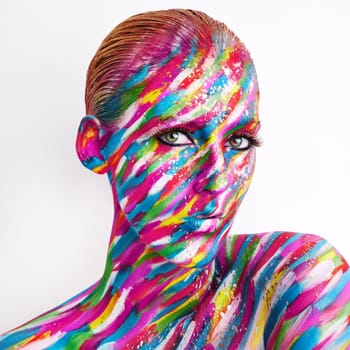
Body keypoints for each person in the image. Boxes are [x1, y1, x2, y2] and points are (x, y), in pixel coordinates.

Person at [0, 9, 349, 349]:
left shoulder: (294, 280)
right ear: (94, 146)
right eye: (176, 137)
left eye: (239, 141)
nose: (219, 180)